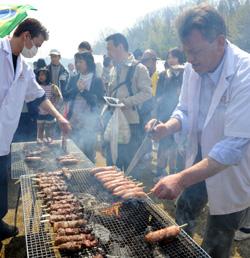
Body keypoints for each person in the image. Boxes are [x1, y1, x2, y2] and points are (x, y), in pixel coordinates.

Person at [146, 4, 250, 258]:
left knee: (217, 240)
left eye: (195, 51)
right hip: (198, 160)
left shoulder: (244, 73)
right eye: (186, 52)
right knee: (183, 215)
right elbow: (185, 109)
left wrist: (180, 179)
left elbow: (233, 146)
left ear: (220, 42)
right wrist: (167, 128)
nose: (190, 60)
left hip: (230, 171)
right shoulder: (194, 67)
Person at [0, 18, 70, 246]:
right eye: (37, 45)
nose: (36, 50)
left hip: (4, 137)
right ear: (26, 36)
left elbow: (39, 96)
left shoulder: (25, 68)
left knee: (1, 181)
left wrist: (60, 117)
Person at [105, 33, 152, 171]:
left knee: (131, 167)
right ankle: (112, 193)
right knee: (113, 164)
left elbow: (147, 93)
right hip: (115, 122)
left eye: (110, 49)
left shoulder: (139, 68)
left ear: (120, 47)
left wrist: (125, 102)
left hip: (132, 124)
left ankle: (131, 193)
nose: (108, 53)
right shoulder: (113, 69)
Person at [64, 52, 104, 163]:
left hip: (89, 124)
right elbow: (65, 96)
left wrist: (83, 91)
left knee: (88, 153)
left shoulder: (97, 80)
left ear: (88, 63)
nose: (77, 64)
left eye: (80, 61)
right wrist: (76, 89)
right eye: (76, 61)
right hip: (74, 121)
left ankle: (88, 177)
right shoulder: (73, 78)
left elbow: (97, 102)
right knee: (72, 152)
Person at [155, 48, 185, 179]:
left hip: (179, 116)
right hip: (165, 114)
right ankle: (160, 171)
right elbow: (158, 94)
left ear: (180, 59)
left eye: (174, 57)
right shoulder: (163, 74)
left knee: (175, 145)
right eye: (169, 57)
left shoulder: (185, 74)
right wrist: (159, 101)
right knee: (163, 144)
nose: (171, 60)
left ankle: (174, 172)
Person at [36, 68, 63, 144]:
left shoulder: (53, 87)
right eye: (39, 75)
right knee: (40, 130)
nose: (40, 77)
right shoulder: (36, 86)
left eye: (43, 75)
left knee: (49, 131)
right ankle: (40, 145)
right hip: (40, 112)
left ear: (47, 76)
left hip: (50, 113)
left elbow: (59, 98)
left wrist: (54, 107)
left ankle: (49, 146)